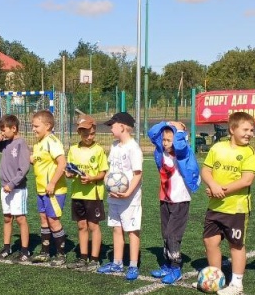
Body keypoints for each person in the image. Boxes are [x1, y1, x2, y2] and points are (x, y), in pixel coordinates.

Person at [200, 112, 255, 295]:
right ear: (232, 129)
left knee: (236, 245)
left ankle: (237, 284)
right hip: (215, 206)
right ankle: (216, 278)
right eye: (245, 129)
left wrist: (220, 191)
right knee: (210, 241)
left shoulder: (249, 153)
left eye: (252, 130)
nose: (249, 133)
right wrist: (213, 185)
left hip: (237, 209)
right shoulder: (217, 148)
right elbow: (206, 171)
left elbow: (246, 181)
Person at [147, 119, 200, 284]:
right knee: (165, 234)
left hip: (180, 200)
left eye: (169, 140)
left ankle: (176, 268)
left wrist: (180, 130)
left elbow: (180, 143)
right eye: (164, 139)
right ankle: (167, 265)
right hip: (165, 199)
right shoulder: (160, 152)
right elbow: (152, 132)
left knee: (172, 234)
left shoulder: (183, 154)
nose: (165, 142)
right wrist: (166, 123)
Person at [98, 112, 144, 280]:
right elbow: (111, 169)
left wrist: (128, 192)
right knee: (117, 228)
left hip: (129, 199)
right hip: (114, 196)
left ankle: (132, 264)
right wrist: (107, 183)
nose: (110, 128)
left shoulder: (134, 148)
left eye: (113, 125)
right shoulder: (115, 146)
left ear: (122, 127)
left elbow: (138, 174)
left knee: (131, 230)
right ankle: (117, 263)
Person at [66, 115, 109, 270]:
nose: (89, 137)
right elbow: (69, 170)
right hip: (77, 194)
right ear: (79, 133)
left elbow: (103, 173)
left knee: (93, 226)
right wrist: (69, 174)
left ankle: (95, 259)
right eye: (85, 134)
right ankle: (83, 258)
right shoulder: (73, 150)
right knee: (81, 225)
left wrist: (92, 178)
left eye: (91, 134)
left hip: (93, 194)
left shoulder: (98, 150)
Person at [29, 109, 69, 265]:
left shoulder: (52, 141)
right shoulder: (39, 143)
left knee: (53, 221)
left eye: (36, 126)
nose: (33, 129)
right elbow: (39, 161)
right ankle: (45, 252)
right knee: (44, 220)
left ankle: (61, 254)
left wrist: (52, 183)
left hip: (54, 191)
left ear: (48, 125)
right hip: (41, 190)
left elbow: (62, 163)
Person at [0, 114, 31, 262]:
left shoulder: (21, 144)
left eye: (4, 129)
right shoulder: (5, 142)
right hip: (5, 188)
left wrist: (12, 183)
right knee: (7, 218)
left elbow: (24, 168)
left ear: (14, 128)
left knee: (20, 219)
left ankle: (25, 251)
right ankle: (7, 247)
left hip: (17, 189)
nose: (2, 132)